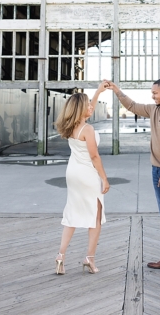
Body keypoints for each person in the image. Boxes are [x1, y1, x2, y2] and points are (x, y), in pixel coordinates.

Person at [103, 78, 160, 279]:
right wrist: (117, 90)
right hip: (156, 169)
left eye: (155, 93)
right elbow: (132, 106)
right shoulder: (155, 110)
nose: (152, 97)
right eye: (152, 94)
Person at [53, 85, 110, 275]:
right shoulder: (88, 129)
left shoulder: (72, 126)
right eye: (88, 105)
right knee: (96, 216)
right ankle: (89, 258)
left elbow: (87, 109)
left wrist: (98, 92)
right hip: (87, 174)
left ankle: (61, 256)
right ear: (81, 109)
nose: (91, 107)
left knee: (72, 212)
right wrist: (104, 178)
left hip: (72, 173)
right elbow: (95, 157)